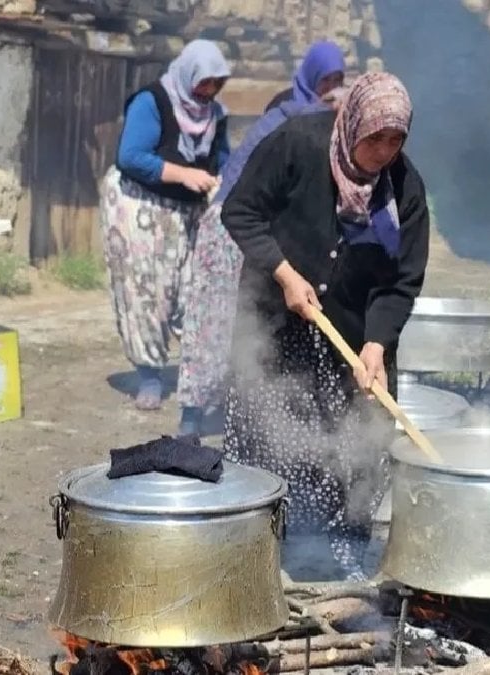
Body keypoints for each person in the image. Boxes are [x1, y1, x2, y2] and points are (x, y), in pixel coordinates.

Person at [220, 72, 430, 580]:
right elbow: (240, 211)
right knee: (275, 443)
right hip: (279, 326)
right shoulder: (296, 145)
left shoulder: (404, 187)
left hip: (355, 339)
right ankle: (262, 560)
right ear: (351, 122)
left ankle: (338, 564)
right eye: (373, 137)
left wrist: (378, 344)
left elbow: (401, 281)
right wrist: (285, 273)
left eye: (394, 139)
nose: (383, 151)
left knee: (361, 446)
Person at [177, 83, 348, 437]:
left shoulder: (311, 123)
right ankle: (194, 413)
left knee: (237, 325)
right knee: (217, 321)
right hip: (233, 225)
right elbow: (253, 204)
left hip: (253, 229)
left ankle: (227, 408)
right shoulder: (294, 127)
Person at [99, 39, 231, 424]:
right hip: (140, 208)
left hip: (187, 212)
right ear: (189, 73)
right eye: (204, 82)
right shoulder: (152, 102)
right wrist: (183, 174)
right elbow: (130, 156)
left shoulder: (215, 114)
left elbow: (222, 158)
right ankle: (149, 376)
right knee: (146, 293)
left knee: (195, 292)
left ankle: (200, 377)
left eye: (215, 84)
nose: (208, 91)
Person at [263, 40, 346, 113]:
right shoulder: (282, 105)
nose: (331, 87)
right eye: (325, 79)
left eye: (337, 80)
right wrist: (322, 106)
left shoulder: (343, 105)